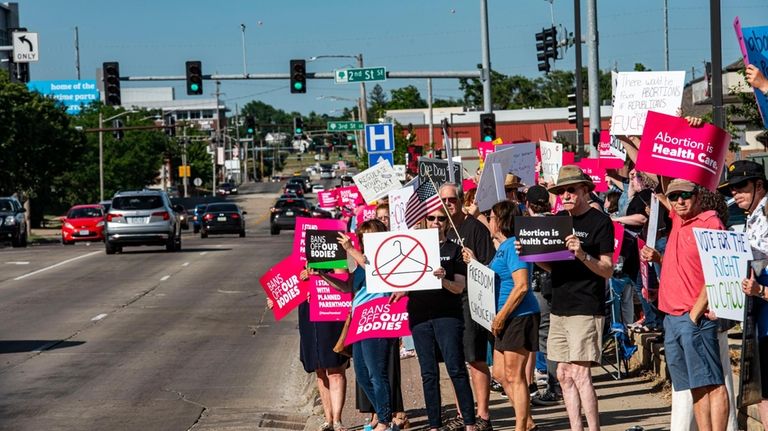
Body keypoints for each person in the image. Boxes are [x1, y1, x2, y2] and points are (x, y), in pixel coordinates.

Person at [524, 165, 614, 431]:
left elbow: (607, 268)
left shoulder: (600, 222)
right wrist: (533, 255)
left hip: (586, 305)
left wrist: (583, 254)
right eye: (561, 191)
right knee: (562, 374)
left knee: (580, 373)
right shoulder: (558, 220)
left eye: (571, 189)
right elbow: (554, 267)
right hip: (559, 306)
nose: (565, 195)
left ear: (585, 190)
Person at [640, 179, 729, 431]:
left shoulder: (710, 222)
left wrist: (694, 314)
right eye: (675, 196)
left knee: (713, 384)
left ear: (697, 197)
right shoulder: (679, 219)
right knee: (695, 385)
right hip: (672, 317)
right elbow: (657, 175)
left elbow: (717, 273)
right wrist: (626, 138)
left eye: (685, 196)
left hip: (694, 318)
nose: (679, 201)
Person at [394, 206, 477, 431]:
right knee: (428, 373)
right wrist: (400, 290)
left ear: (447, 223)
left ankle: (469, 422)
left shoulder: (454, 250)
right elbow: (404, 279)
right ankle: (434, 425)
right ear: (425, 220)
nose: (436, 222)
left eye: (441, 219)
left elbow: (460, 287)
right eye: (431, 218)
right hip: (420, 316)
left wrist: (443, 280)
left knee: (456, 368)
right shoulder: (413, 248)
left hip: (447, 316)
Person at [465, 200, 540, 431]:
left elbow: (522, 286)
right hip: (505, 317)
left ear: (499, 221)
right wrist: (475, 263)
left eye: (491, 217)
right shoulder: (502, 247)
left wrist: (501, 316)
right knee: (499, 373)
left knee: (514, 375)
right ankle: (527, 423)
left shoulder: (513, 246)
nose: (488, 220)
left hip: (518, 315)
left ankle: (521, 427)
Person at [319, 219, 398, 431]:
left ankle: (384, 421)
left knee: (376, 373)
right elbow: (346, 287)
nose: (363, 241)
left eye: (367, 237)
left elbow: (374, 269)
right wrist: (324, 276)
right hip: (359, 321)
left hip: (377, 320)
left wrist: (350, 248)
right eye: (361, 237)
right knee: (362, 376)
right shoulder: (359, 264)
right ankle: (386, 413)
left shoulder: (382, 260)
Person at [439, 183, 495, 431]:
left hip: (472, 302)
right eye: (444, 200)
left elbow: (490, 268)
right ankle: (464, 413)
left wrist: (473, 261)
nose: (448, 204)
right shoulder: (439, 228)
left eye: (452, 199)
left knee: (475, 359)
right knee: (455, 361)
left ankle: (483, 415)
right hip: (446, 304)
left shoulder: (476, 229)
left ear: (462, 200)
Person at [267, 268, 349, 431]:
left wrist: (319, 274)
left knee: (334, 368)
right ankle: (328, 420)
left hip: (329, 308)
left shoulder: (333, 248)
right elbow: (289, 282)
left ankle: (338, 420)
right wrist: (276, 299)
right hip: (308, 311)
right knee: (318, 368)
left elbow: (343, 276)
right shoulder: (300, 255)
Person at [720, 160, 768, 429]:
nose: (735, 193)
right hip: (759, 312)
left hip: (764, 301)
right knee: (763, 390)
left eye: (741, 186)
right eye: (731, 189)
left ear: (759, 185)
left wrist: (761, 290)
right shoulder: (752, 216)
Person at [524, 185, 561, 407]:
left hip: (541, 288)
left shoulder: (530, 227)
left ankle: (554, 387)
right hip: (560, 287)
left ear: (527, 204)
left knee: (546, 338)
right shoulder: (558, 222)